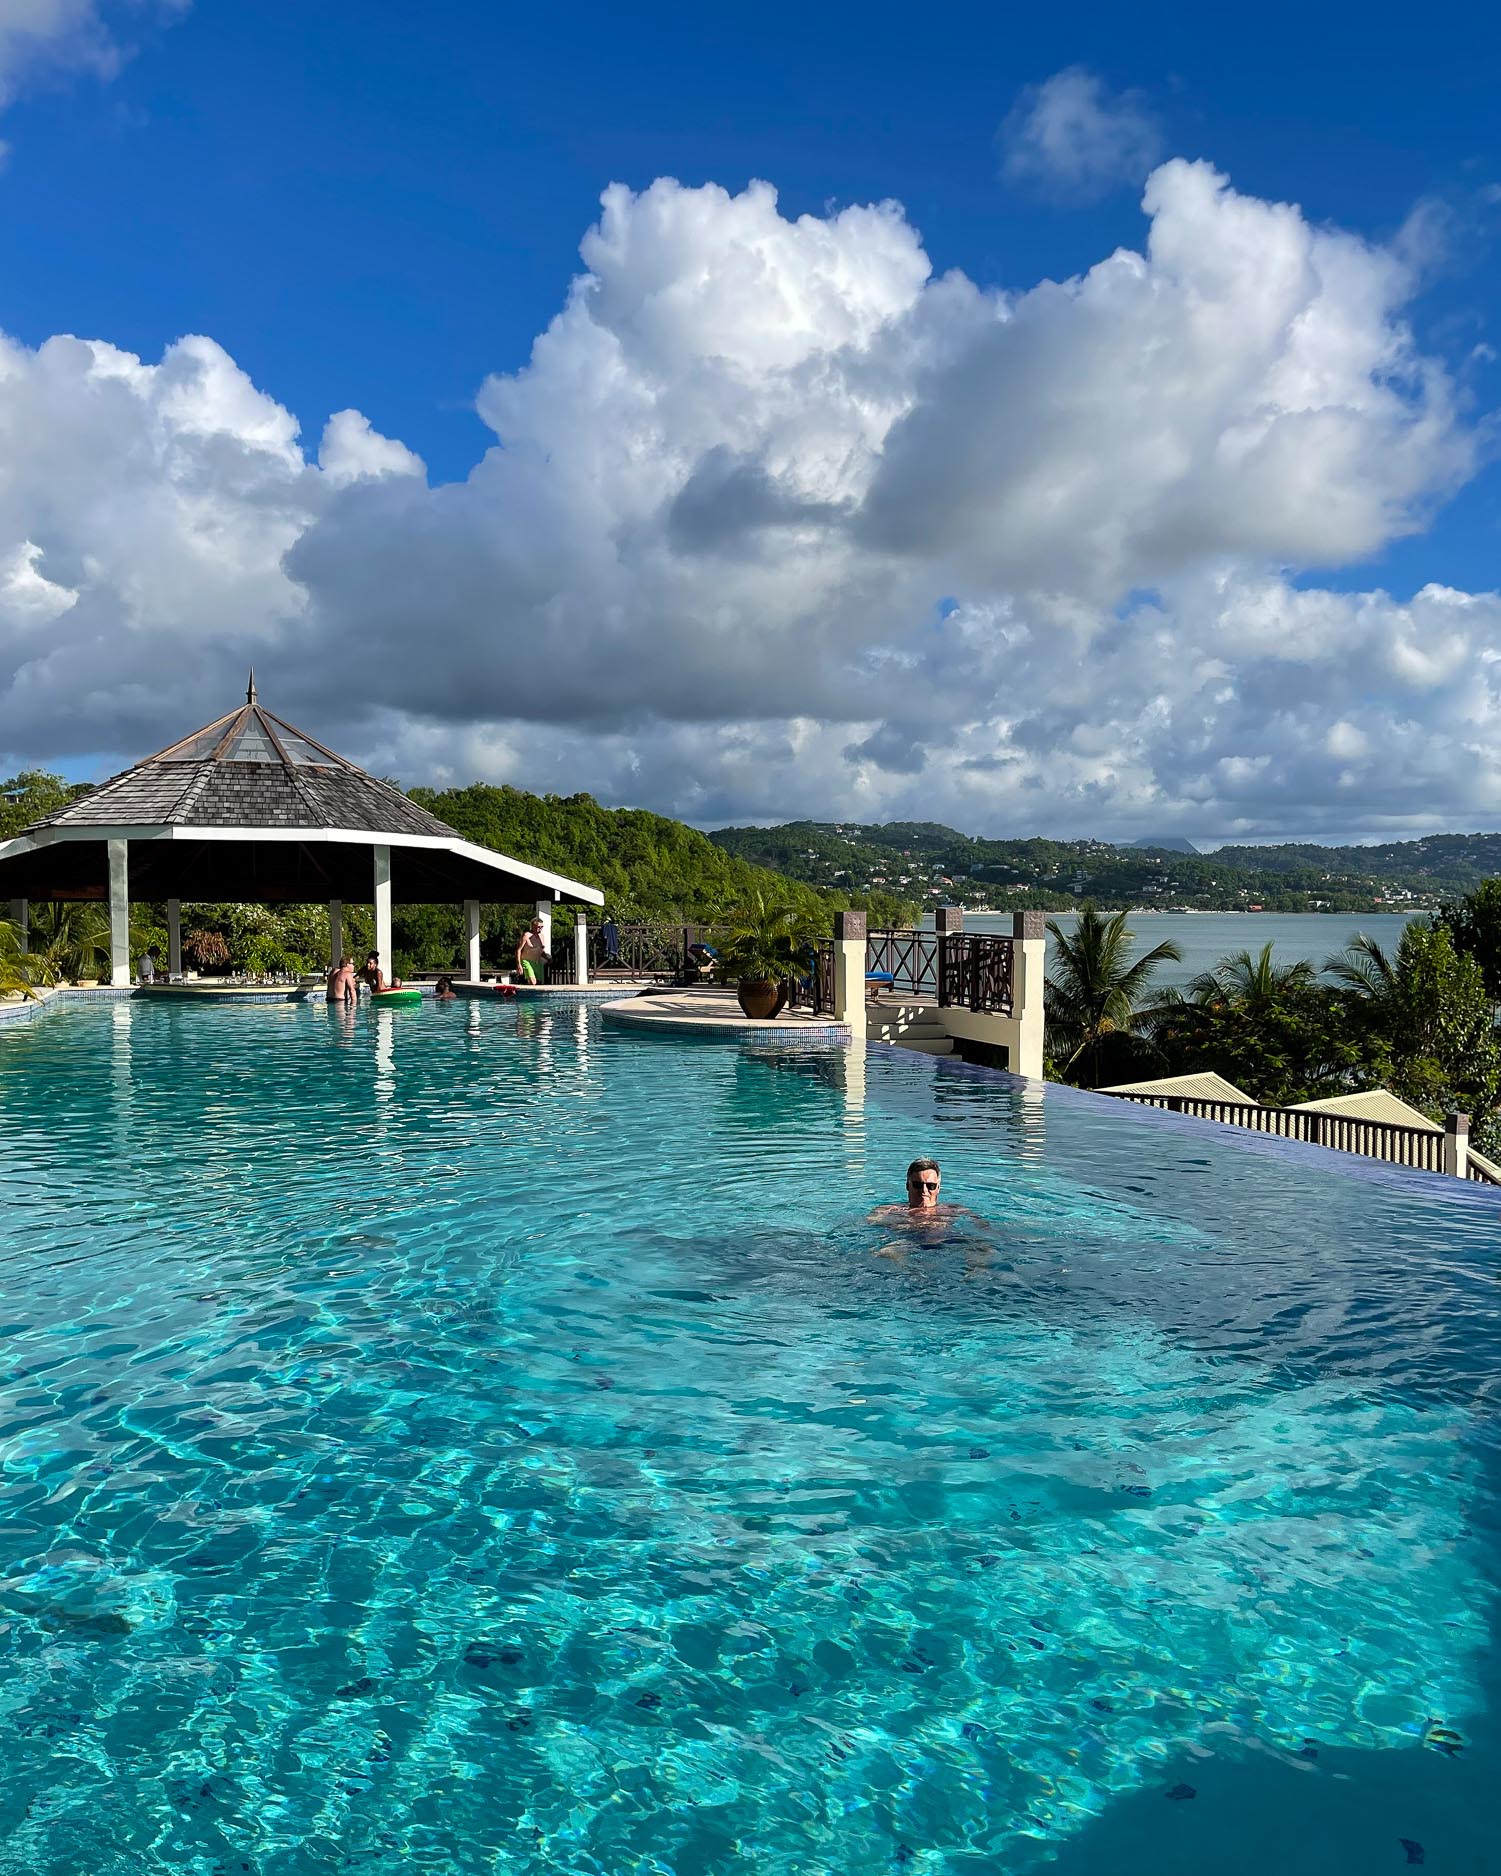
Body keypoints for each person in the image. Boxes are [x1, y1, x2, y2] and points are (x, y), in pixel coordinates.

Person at [516, 919, 550, 985]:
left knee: (539, 983)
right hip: (527, 961)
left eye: (542, 927)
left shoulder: (541, 936)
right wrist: (519, 964)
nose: (540, 929)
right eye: (538, 927)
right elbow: (518, 950)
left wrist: (547, 958)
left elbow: (540, 951)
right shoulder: (526, 935)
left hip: (537, 962)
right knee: (532, 982)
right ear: (533, 926)